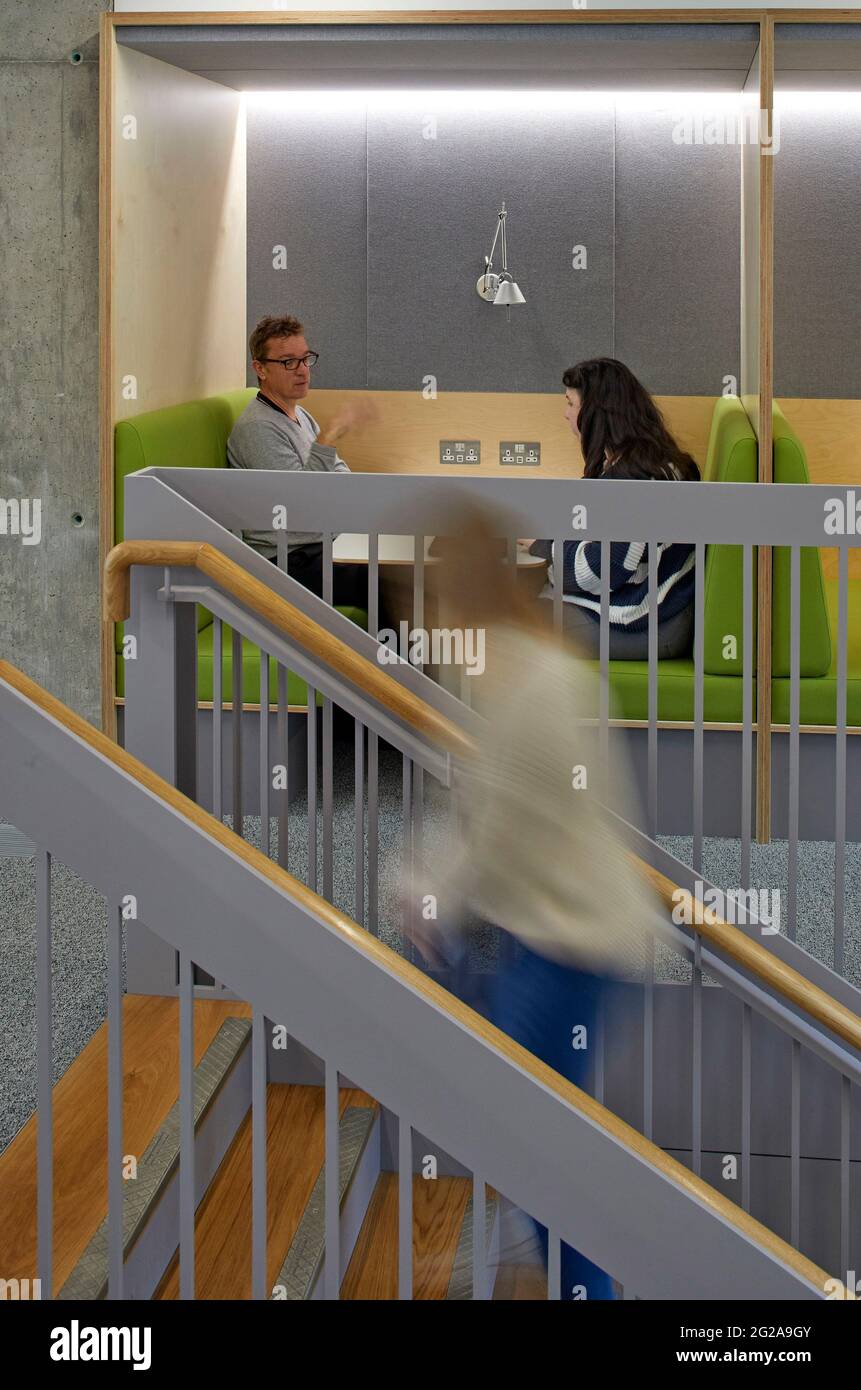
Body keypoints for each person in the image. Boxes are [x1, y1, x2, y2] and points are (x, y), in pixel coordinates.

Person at [409, 501, 656, 1300]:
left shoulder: (519, 681)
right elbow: (490, 817)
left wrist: (427, 894)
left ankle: (581, 1283)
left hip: (570, 947)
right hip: (552, 935)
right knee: (542, 1138)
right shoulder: (530, 661)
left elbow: (496, 831)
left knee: (545, 1154)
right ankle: (548, 1261)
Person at [525, 358, 699, 660]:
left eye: (570, 403)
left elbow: (597, 571)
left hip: (647, 621)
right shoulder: (634, 463)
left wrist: (543, 545)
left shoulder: (638, 480)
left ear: (594, 411)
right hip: (648, 612)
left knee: (507, 628)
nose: (566, 415)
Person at [227, 314, 378, 609]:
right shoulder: (258, 428)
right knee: (381, 584)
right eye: (288, 362)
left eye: (305, 359)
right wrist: (329, 437)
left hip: (315, 547)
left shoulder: (300, 415)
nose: (302, 371)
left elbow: (339, 473)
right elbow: (300, 509)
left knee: (395, 578)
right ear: (260, 368)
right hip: (284, 565)